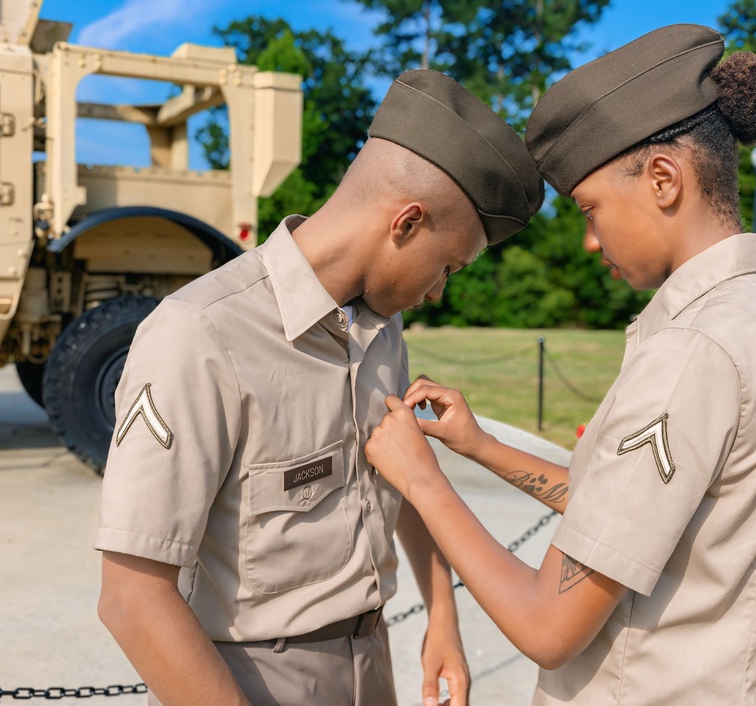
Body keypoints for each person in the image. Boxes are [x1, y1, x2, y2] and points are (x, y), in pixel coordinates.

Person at [366, 24, 756, 706]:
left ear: (662, 179)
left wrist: (424, 482)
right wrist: (479, 447)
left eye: (590, 208)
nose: (588, 239)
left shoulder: (694, 350)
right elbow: (625, 513)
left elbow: (548, 626)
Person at [94, 69, 544, 706]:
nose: (440, 289)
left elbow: (402, 475)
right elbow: (133, 596)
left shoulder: (382, 331)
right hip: (248, 678)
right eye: (447, 266)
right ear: (406, 223)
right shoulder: (200, 334)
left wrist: (442, 614)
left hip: (372, 657)